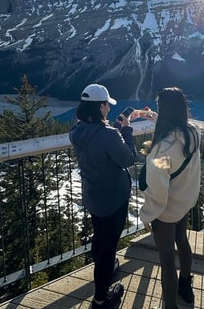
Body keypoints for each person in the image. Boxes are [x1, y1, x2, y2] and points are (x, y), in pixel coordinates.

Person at [69, 83, 137, 309]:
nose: (109, 107)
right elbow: (127, 159)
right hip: (113, 198)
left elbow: (99, 144)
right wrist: (126, 131)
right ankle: (101, 300)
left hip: (93, 196)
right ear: (100, 107)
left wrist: (113, 129)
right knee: (109, 245)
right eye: (107, 104)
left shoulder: (77, 131)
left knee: (99, 237)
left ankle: (104, 270)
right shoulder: (108, 134)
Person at [139, 87, 201, 309]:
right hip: (184, 202)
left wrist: (147, 216)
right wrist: (157, 119)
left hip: (166, 211)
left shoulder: (161, 151)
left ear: (163, 110)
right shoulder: (193, 133)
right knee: (182, 241)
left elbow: (157, 190)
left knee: (166, 260)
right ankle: (186, 285)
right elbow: (175, 158)